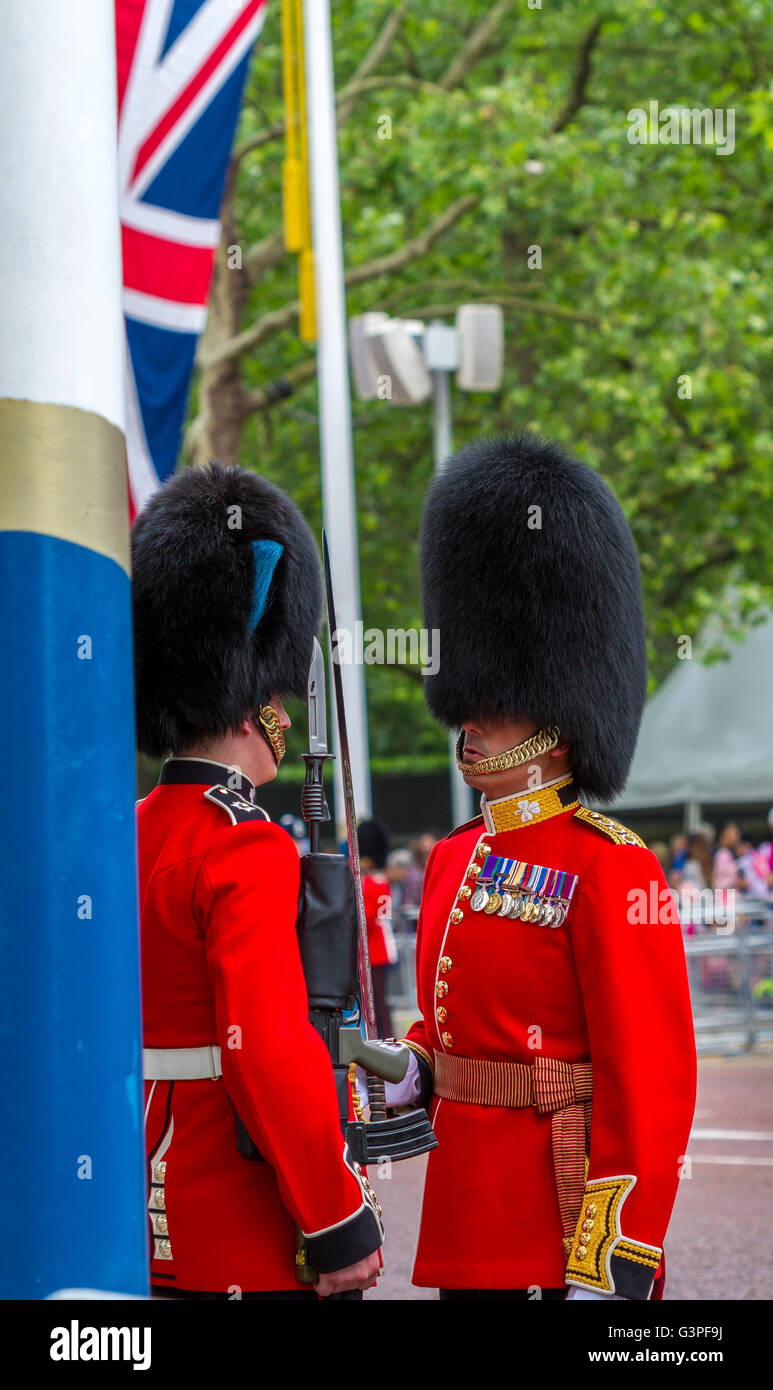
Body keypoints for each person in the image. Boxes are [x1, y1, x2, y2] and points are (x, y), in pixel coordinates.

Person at [397, 432, 696, 1300]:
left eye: (497, 703)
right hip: (463, 1211)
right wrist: (412, 1066)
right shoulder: (457, 857)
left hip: (556, 1219)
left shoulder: (610, 868)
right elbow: (451, 1027)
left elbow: (649, 1080)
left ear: (556, 716)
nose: (473, 721)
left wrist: (615, 1252)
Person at [132, 462, 382, 1299]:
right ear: (257, 704)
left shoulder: (120, 833)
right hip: (236, 1205)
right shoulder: (245, 846)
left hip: (137, 1191)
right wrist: (334, 1214)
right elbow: (264, 1052)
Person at [357, 818, 398, 1037]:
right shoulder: (370, 880)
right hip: (369, 952)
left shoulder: (376, 882)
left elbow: (368, 919)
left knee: (379, 1006)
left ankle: (387, 1043)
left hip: (378, 951)